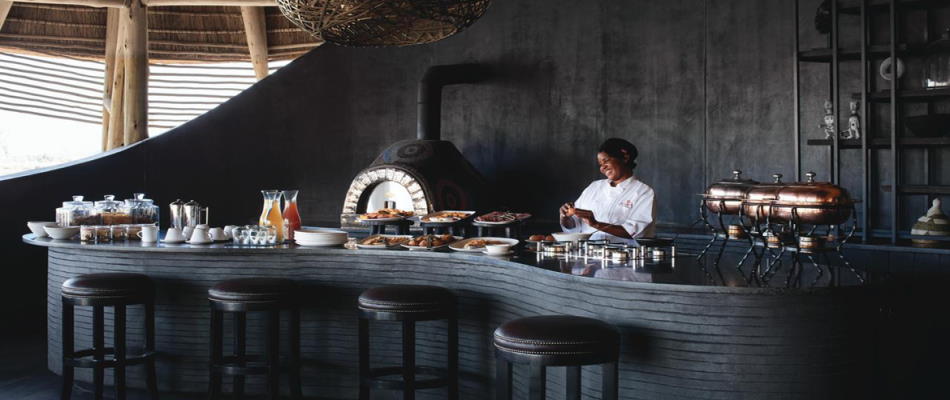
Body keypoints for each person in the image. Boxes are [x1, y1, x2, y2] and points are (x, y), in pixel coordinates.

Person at [559, 138, 655, 244]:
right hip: (587, 251)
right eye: (600, 164)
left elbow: (636, 232)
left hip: (622, 253)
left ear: (625, 157)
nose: (602, 167)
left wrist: (595, 223)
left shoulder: (643, 192)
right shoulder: (594, 187)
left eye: (606, 161)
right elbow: (575, 226)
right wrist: (565, 217)